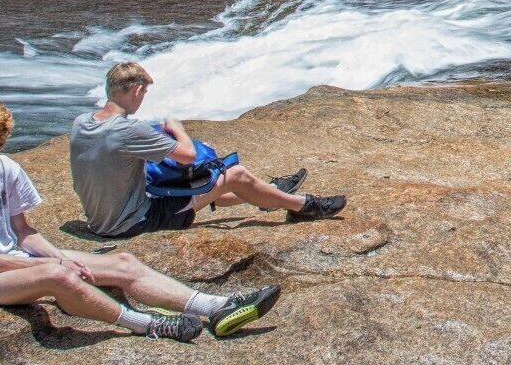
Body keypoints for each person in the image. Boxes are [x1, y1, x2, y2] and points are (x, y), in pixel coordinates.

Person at [0, 100, 281, 342]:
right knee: (60, 276)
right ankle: (148, 325)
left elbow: (23, 231)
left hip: (6, 261)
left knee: (122, 262)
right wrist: (57, 262)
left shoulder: (6, 170)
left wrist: (56, 252)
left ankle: (214, 307)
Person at [72, 63, 338, 240]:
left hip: (100, 219)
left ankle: (271, 193)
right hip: (134, 221)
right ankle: (304, 206)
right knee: (235, 174)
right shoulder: (129, 131)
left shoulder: (81, 122)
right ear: (137, 90)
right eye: (144, 94)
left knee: (205, 187)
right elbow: (186, 154)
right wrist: (178, 129)